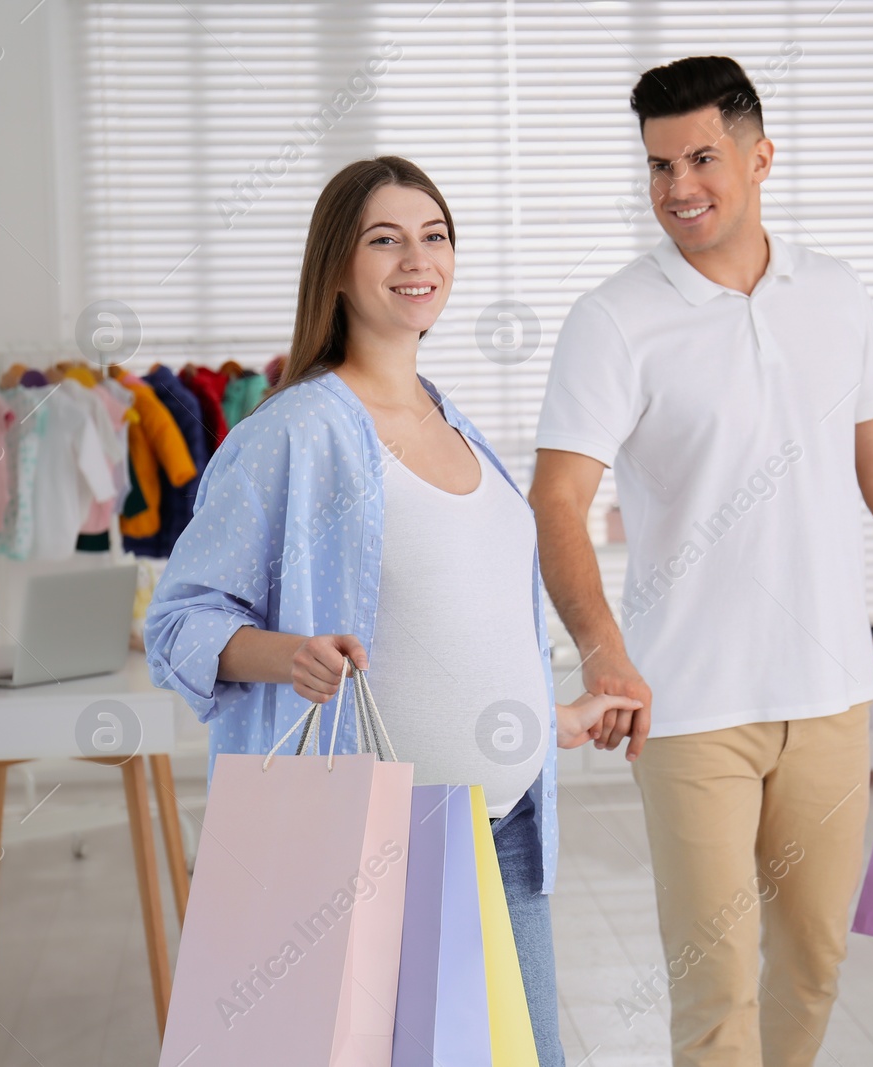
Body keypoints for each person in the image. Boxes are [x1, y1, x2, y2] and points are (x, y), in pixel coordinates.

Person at [528, 56, 873, 1065]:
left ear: (760, 158)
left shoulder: (834, 293)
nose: (678, 188)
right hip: (687, 704)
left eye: (702, 157)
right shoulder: (614, 318)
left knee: (815, 959)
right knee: (717, 993)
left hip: (831, 692)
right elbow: (558, 498)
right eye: (659, 165)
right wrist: (600, 650)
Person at [143, 155, 637, 1066]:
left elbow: (466, 619)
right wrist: (285, 653)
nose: (419, 258)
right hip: (379, 847)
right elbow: (176, 621)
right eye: (386, 239)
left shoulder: (459, 425)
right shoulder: (295, 433)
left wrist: (549, 716)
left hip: (504, 830)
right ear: (337, 265)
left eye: (435, 236)